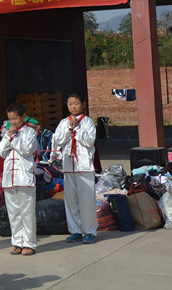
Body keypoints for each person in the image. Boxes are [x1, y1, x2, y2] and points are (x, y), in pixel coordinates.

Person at [53, 91, 98, 244]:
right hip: (68, 165)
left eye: (76, 104)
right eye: (70, 104)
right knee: (71, 200)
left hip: (84, 166)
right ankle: (75, 230)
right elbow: (58, 140)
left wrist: (77, 129)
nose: (73, 107)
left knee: (87, 200)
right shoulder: (63, 122)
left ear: (83, 104)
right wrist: (68, 129)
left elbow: (89, 141)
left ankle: (90, 231)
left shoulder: (88, 122)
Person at [0, 102, 38, 256]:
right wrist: (9, 137)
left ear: (23, 117)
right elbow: (1, 151)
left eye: (15, 118)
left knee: (27, 212)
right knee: (13, 212)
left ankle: (29, 243)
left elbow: (26, 150)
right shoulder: (6, 132)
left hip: (24, 176)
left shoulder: (30, 132)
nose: (12, 122)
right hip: (10, 176)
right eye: (10, 119)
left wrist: (13, 138)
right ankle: (17, 242)